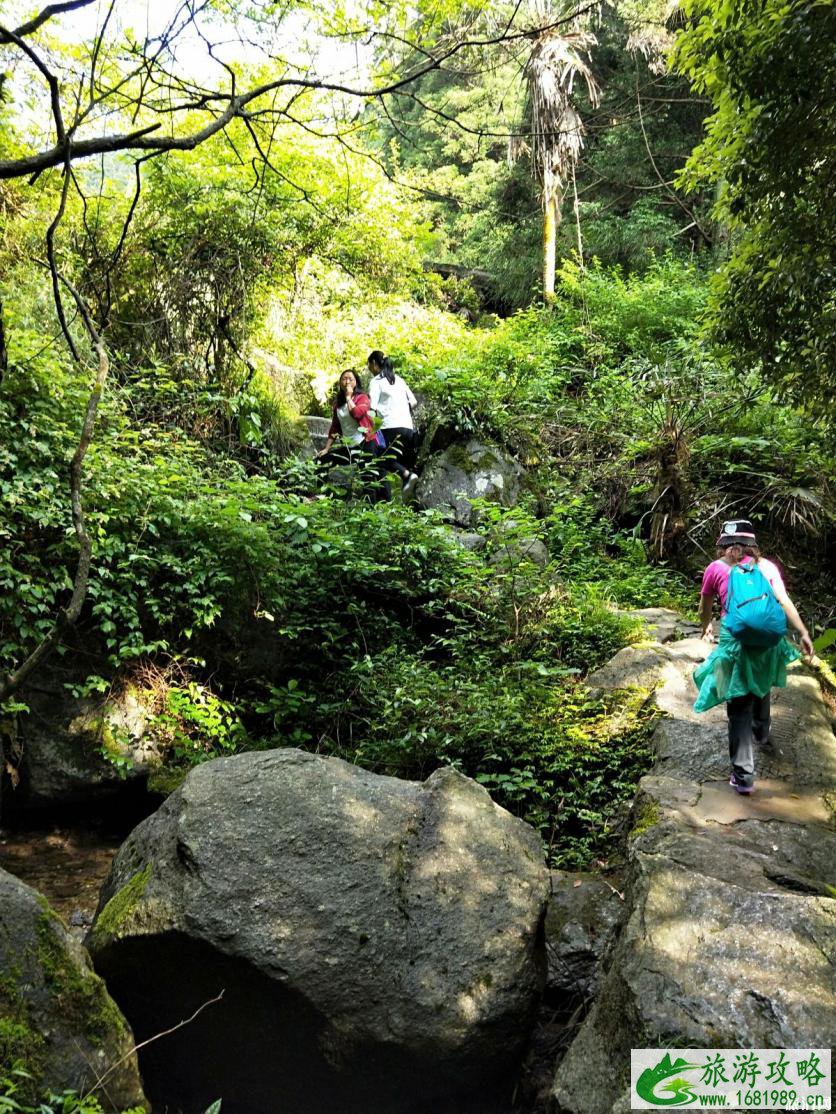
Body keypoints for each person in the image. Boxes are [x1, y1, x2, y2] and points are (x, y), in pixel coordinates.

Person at [694, 519, 813, 795]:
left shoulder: (715, 569)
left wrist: (706, 625)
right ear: (752, 545)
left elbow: (705, 604)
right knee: (760, 680)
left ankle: (743, 777)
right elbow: (783, 601)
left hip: (736, 642)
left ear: (724, 544)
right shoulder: (767, 567)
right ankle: (762, 730)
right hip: (768, 644)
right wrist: (803, 632)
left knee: (738, 705)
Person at [316, 370, 384, 494]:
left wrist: (348, 397)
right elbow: (335, 426)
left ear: (356, 382)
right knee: (322, 459)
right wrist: (326, 448)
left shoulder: (362, 398)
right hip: (350, 447)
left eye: (350, 379)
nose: (347, 381)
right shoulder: (337, 403)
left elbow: (357, 413)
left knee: (367, 478)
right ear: (340, 382)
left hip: (366, 443)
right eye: (344, 378)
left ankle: (371, 507)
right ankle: (319, 495)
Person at [367, 350, 419, 496]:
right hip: (407, 428)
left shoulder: (376, 381)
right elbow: (414, 402)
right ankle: (408, 488)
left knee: (380, 459)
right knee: (394, 458)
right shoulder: (399, 379)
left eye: (369, 366)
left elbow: (372, 408)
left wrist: (370, 429)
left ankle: (406, 475)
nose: (370, 369)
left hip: (390, 427)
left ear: (374, 364)